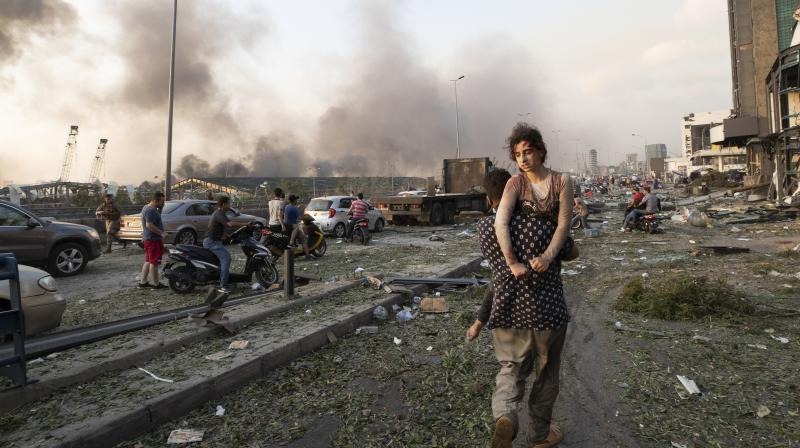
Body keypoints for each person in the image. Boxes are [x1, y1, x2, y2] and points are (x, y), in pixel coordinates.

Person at [487, 123, 572, 448]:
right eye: (518, 154)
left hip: (512, 306)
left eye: (528, 152)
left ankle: (506, 415)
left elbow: (561, 224)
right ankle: (538, 436)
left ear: (540, 150)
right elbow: (565, 232)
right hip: (549, 307)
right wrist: (530, 259)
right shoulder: (516, 183)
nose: (523, 159)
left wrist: (539, 258)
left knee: (511, 369)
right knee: (546, 375)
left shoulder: (561, 182)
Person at [467, 169, 577, 342]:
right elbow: (572, 252)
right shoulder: (543, 224)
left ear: (488, 199)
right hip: (547, 316)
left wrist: (479, 322)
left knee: (513, 368)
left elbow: (497, 279)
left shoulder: (485, 228)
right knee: (547, 368)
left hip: (508, 316)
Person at [203, 196, 250, 293]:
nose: (230, 205)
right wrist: (245, 224)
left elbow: (215, 226)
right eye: (229, 204)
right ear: (224, 204)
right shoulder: (219, 213)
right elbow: (230, 224)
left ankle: (218, 280)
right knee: (226, 258)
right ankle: (223, 286)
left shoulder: (219, 213)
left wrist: (225, 235)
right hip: (212, 242)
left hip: (214, 241)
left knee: (220, 261)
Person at [139, 192, 166, 289]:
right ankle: (156, 284)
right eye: (162, 201)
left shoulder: (146, 207)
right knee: (154, 262)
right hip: (153, 239)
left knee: (148, 260)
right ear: (155, 200)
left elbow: (146, 224)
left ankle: (143, 282)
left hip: (149, 238)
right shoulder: (151, 210)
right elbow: (149, 225)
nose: (163, 203)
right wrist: (161, 233)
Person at [284, 195, 314, 260]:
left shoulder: (286, 207)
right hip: (292, 226)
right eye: (296, 199)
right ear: (294, 200)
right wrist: (304, 218)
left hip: (286, 225)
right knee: (303, 239)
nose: (297, 201)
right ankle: (307, 255)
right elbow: (299, 218)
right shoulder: (295, 208)